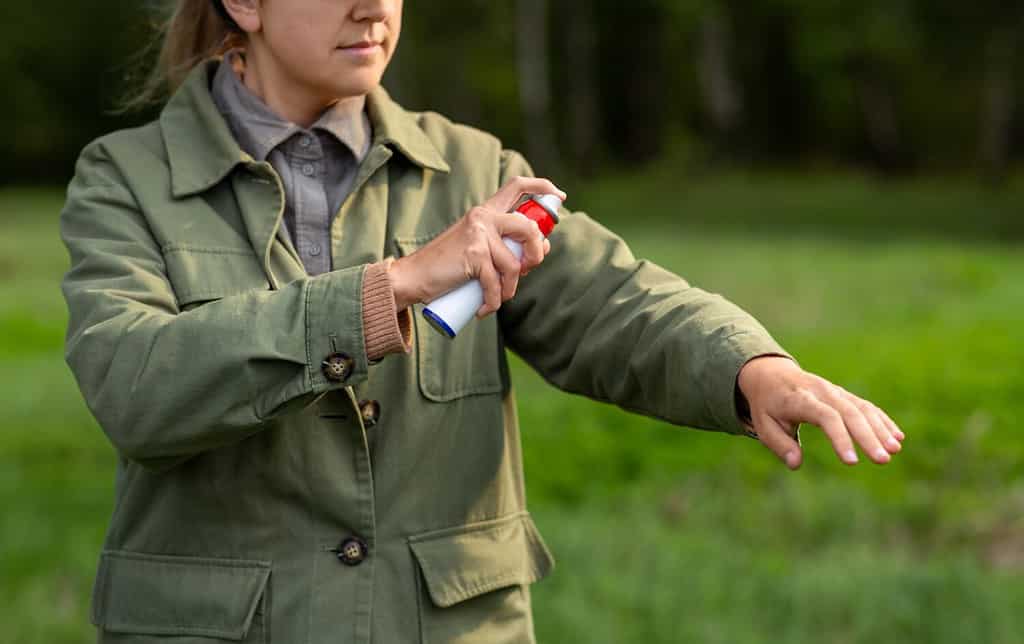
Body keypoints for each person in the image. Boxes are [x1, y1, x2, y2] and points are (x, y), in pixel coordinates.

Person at [59, 1, 905, 642]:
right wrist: (397, 283)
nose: (375, 7)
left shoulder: (475, 168)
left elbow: (613, 303)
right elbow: (136, 386)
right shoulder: (124, 181)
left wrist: (751, 368)